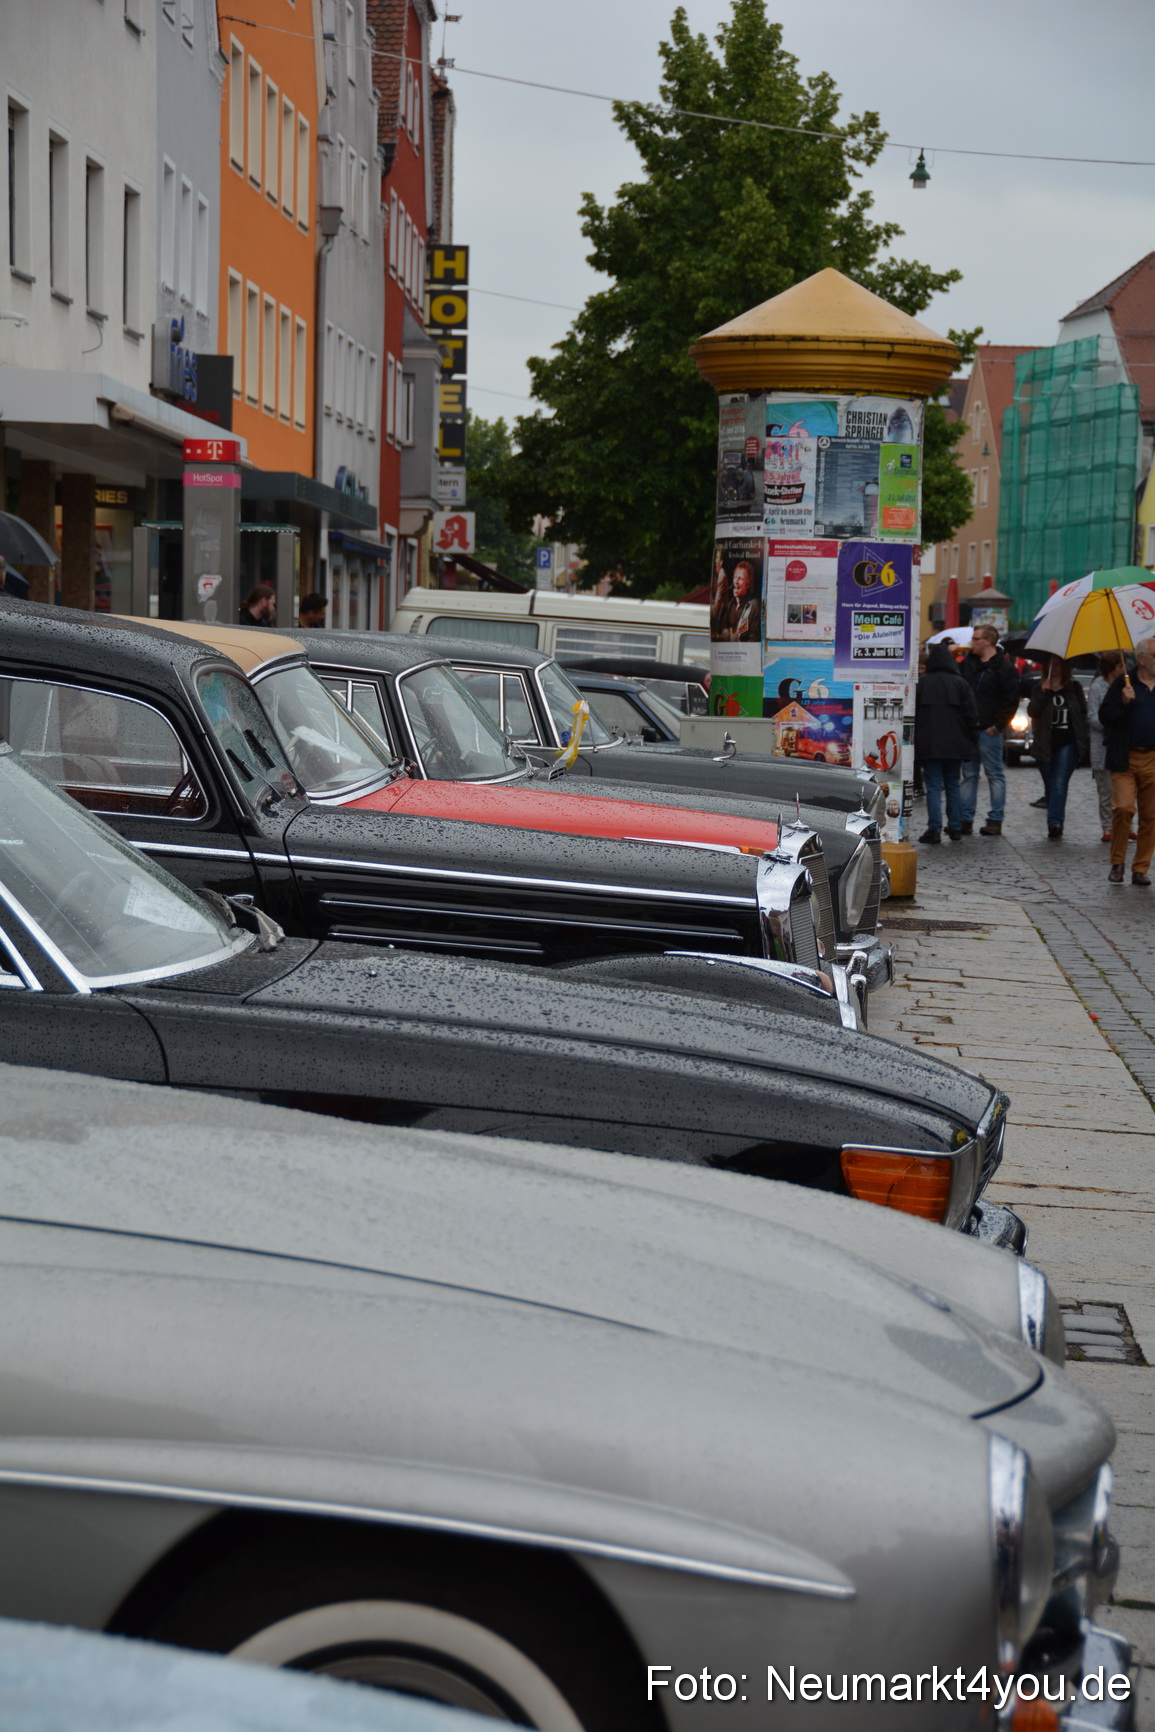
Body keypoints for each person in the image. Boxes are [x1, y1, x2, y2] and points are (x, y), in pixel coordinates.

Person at [1100, 634, 1155, 886]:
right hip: (1125, 757)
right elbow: (1105, 717)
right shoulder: (1124, 683)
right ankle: (1118, 862)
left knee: (1150, 815)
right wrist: (1123, 702)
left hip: (1153, 758)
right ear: (1142, 658)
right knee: (1123, 808)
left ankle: (1140, 868)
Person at [958, 625, 1020, 836]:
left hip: (989, 730)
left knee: (994, 774)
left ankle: (995, 819)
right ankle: (965, 819)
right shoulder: (968, 664)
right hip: (969, 729)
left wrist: (997, 726)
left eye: (976, 639)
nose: (972, 642)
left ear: (988, 641)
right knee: (969, 775)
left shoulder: (1004, 668)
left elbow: (1011, 700)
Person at [915, 643, 980, 843]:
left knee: (933, 786)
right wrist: (972, 741)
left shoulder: (923, 682)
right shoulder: (960, 683)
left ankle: (934, 829)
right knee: (953, 784)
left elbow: (914, 715)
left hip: (930, 743)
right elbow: (972, 715)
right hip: (955, 744)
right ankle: (955, 827)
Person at [1027, 656, 1088, 838]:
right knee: (1050, 785)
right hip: (1045, 742)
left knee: (1059, 783)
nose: (1056, 668)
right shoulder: (1039, 688)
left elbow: (1082, 714)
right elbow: (1033, 712)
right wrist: (1043, 693)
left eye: (1060, 664)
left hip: (1068, 742)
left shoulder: (1073, 688)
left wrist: (1084, 741)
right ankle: (1054, 818)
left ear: (1065, 667)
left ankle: (1055, 822)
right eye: (1052, 663)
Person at [1088, 651, 1127, 841]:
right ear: (1114, 668)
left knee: (1125, 791)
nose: (1124, 669)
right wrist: (1111, 722)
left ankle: (1126, 826)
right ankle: (1108, 827)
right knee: (1106, 790)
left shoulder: (1125, 685)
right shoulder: (1097, 687)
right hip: (1102, 746)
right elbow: (1093, 717)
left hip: (1122, 745)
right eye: (1121, 666)